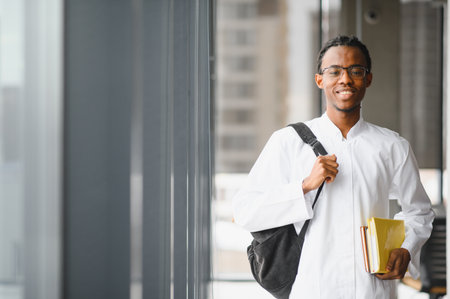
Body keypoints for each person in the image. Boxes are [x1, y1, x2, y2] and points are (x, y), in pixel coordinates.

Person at [232, 35, 434, 298]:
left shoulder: (392, 146)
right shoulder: (288, 142)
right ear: (320, 80)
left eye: (356, 71)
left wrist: (406, 249)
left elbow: (419, 212)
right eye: (334, 71)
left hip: (370, 290)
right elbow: (245, 210)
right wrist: (304, 186)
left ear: (368, 79)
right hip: (311, 287)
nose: (345, 79)